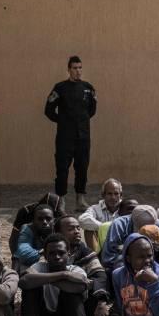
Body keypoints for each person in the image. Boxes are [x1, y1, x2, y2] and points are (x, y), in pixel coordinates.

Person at [45, 55, 97, 211]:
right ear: (68, 70)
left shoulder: (88, 88)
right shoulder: (60, 88)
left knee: (82, 168)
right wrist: (62, 121)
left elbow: (92, 110)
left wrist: (80, 122)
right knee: (62, 169)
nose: (78, 71)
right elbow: (48, 110)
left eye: (80, 68)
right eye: (75, 68)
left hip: (83, 137)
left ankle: (80, 200)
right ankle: (60, 201)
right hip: (64, 138)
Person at [56, 215, 113, 316]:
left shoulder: (84, 251)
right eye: (71, 229)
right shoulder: (49, 252)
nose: (77, 231)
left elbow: (100, 275)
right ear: (59, 233)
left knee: (99, 282)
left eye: (78, 228)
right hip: (55, 304)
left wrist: (101, 302)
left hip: (80, 303)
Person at [101, 205, 159, 270]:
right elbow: (108, 258)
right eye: (143, 228)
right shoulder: (119, 225)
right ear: (133, 221)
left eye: (150, 228)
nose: (147, 230)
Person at [78, 178, 124, 251]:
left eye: (116, 194)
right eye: (109, 194)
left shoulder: (126, 207)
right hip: (101, 248)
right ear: (103, 195)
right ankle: (96, 258)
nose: (113, 197)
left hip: (121, 247)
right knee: (89, 230)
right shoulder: (96, 209)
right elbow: (82, 220)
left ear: (120, 195)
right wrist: (105, 227)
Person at [13, 204, 55, 273]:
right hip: (31, 264)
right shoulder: (28, 228)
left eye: (48, 219)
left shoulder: (59, 227)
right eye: (40, 219)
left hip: (55, 262)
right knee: (16, 257)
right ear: (33, 221)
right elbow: (23, 253)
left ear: (53, 220)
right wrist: (44, 252)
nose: (44, 222)